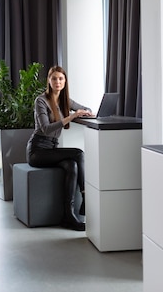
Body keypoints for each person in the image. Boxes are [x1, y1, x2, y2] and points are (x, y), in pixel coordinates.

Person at [26, 65, 94, 231]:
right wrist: (71, 116)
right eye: (54, 78)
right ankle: (85, 196)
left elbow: (86, 108)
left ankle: (68, 216)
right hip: (38, 151)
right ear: (49, 80)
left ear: (65, 81)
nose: (57, 81)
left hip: (52, 148)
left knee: (72, 165)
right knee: (78, 153)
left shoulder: (65, 100)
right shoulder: (41, 100)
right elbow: (46, 128)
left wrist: (87, 112)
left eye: (61, 78)